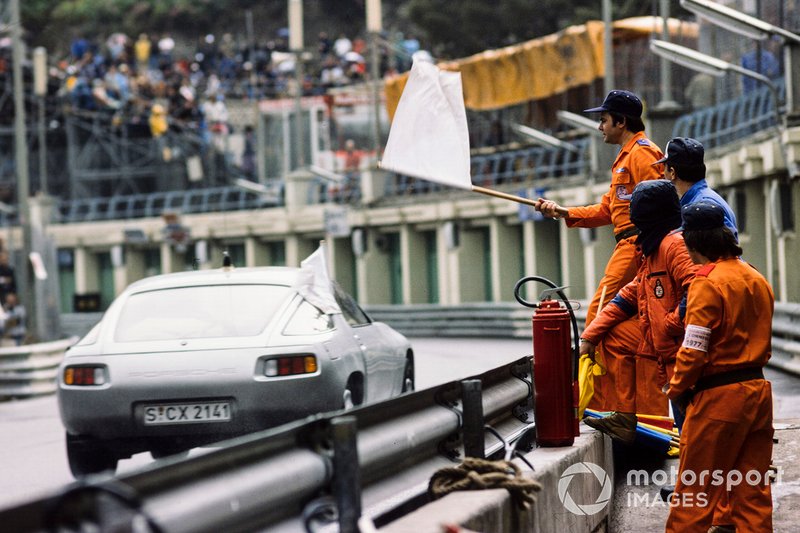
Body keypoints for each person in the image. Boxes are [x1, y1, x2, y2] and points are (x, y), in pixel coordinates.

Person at [534, 89, 664, 414]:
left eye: (604, 120)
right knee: (609, 325)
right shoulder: (624, 157)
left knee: (599, 317)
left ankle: (601, 408)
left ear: (621, 121)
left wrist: (651, 250)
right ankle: (610, 405)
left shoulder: (643, 154)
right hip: (628, 243)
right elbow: (608, 208)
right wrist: (564, 213)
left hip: (637, 245)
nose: (600, 127)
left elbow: (661, 204)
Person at [664, 201, 774, 532]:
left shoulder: (706, 283)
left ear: (692, 242)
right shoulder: (755, 276)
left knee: (694, 495)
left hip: (718, 400)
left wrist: (677, 387)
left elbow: (694, 348)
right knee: (752, 491)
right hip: (757, 394)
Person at [579, 180, 698, 443]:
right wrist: (590, 335)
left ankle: (700, 480)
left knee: (696, 425)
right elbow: (629, 295)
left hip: (685, 348)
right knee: (615, 335)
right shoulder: (652, 249)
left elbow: (698, 290)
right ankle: (625, 416)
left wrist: (670, 325)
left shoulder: (674, 245)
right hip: (664, 344)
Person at [658, 137, 738, 241]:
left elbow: (725, 253)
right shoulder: (701, 199)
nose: (663, 173)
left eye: (664, 166)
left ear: (672, 172)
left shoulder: (702, 205)